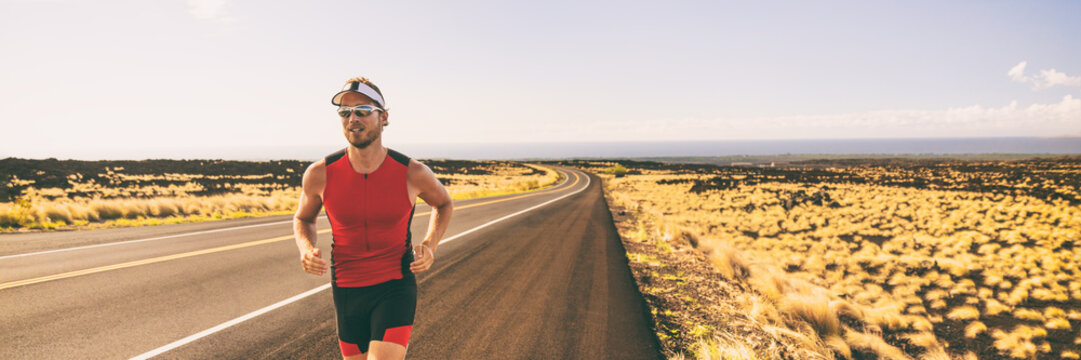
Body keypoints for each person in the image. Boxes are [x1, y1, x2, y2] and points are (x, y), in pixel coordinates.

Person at [293, 76, 454, 360]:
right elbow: (304, 219)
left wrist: (430, 245)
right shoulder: (320, 174)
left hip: (395, 284)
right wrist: (306, 248)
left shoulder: (411, 172)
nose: (353, 118)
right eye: (345, 112)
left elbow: (443, 203)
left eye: (363, 110)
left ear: (384, 117)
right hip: (346, 289)